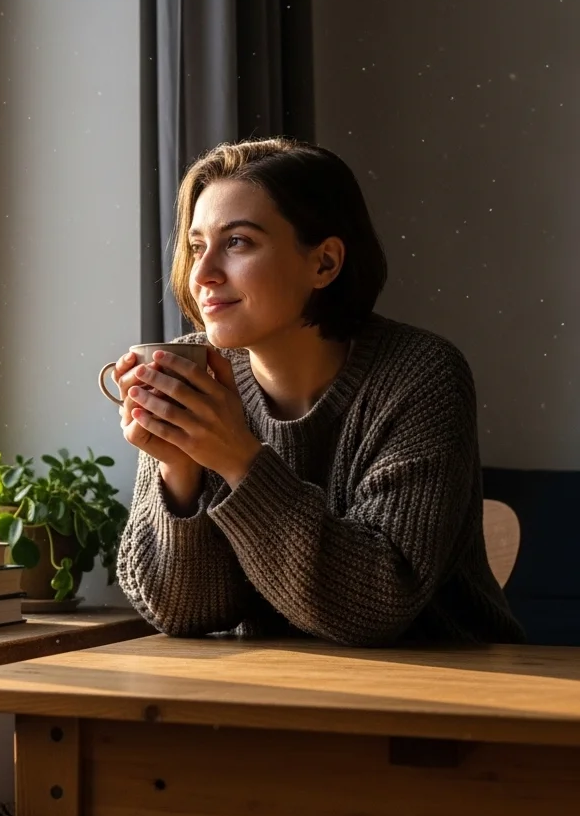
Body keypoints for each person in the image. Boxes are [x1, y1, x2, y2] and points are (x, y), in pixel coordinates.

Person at [113, 138, 524, 645]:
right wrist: (181, 472)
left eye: (237, 242)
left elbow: (376, 604)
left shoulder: (421, 374)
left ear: (325, 263)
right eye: (197, 246)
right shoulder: (193, 370)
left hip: (450, 695)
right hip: (271, 692)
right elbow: (184, 614)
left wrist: (240, 460)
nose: (201, 274)